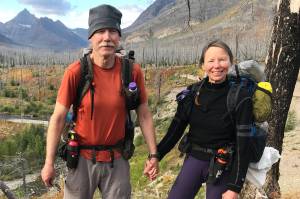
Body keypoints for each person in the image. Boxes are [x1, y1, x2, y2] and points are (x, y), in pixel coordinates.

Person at [41, 4, 159, 199]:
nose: (106, 37)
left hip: (117, 158)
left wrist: (153, 155)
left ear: (119, 36)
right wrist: (48, 163)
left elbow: (144, 114)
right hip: (81, 160)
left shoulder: (132, 72)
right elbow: (58, 118)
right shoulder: (76, 72)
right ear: (91, 37)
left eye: (112, 31)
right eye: (100, 31)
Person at [155, 40, 253, 199]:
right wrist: (156, 155)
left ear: (230, 62)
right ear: (202, 65)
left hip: (223, 163)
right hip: (194, 159)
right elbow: (175, 130)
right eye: (211, 60)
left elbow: (244, 145)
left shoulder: (240, 97)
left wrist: (234, 187)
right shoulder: (192, 93)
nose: (217, 65)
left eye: (222, 60)